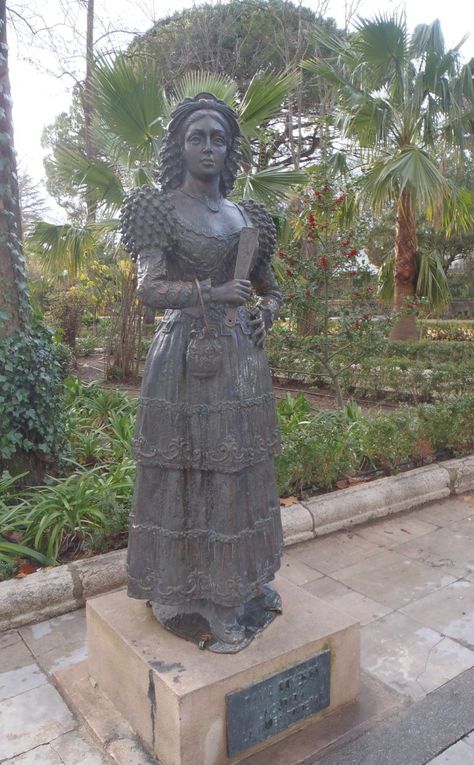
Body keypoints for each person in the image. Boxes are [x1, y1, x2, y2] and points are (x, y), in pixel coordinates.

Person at [120, 93, 283, 652]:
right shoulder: (160, 208)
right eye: (198, 138)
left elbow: (269, 287)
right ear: (180, 147)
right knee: (192, 471)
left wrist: (267, 312)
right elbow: (148, 288)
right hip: (184, 361)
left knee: (236, 474)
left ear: (229, 147)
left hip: (241, 361)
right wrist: (211, 293)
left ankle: (238, 586)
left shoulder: (247, 216)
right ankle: (195, 595)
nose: (209, 147)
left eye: (218, 138)